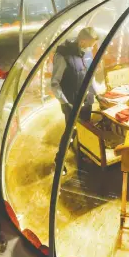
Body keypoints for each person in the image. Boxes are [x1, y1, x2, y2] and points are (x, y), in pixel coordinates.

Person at [50, 27, 106, 175]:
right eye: (91, 44)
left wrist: (97, 95)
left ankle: (81, 154)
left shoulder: (86, 52)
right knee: (70, 133)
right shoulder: (62, 55)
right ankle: (59, 161)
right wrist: (65, 103)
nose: (92, 47)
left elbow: (89, 76)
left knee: (84, 129)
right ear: (82, 41)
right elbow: (55, 83)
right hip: (71, 102)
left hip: (86, 99)